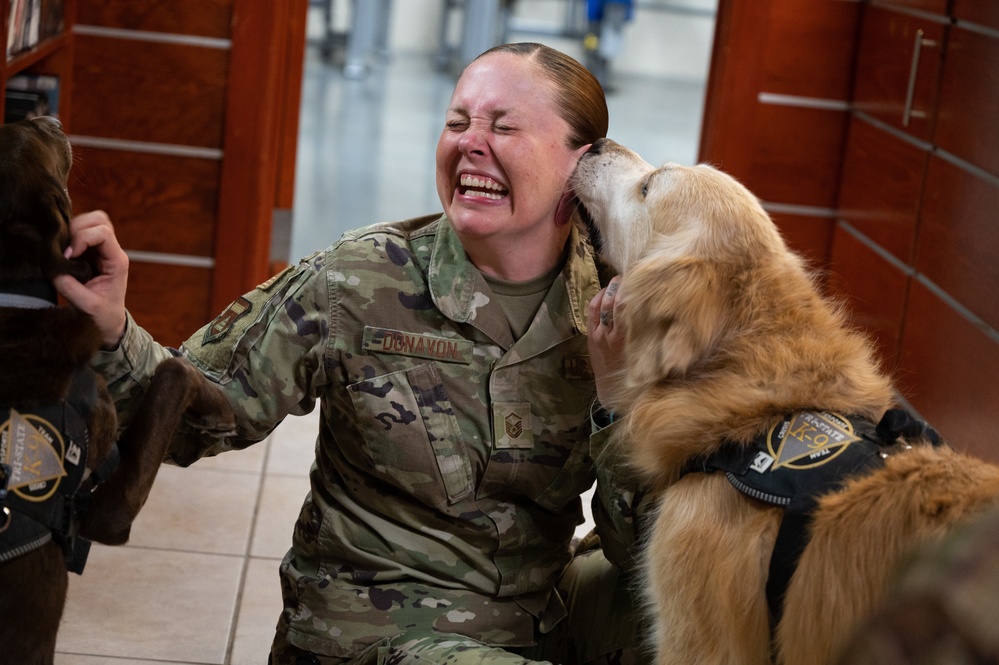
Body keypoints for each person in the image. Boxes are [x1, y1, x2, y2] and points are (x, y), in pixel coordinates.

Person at [55, 42, 649, 665]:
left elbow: (643, 548)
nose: (470, 143)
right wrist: (115, 329)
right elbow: (196, 415)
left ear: (582, 165)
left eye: (504, 126)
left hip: (535, 621)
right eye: (456, 122)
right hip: (373, 636)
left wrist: (617, 401)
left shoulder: (619, 308)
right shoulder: (359, 280)